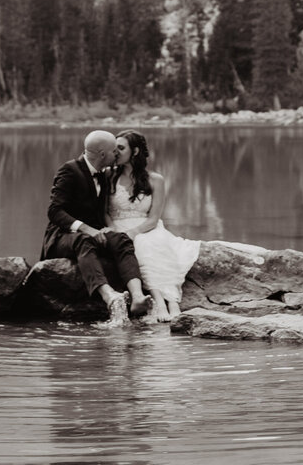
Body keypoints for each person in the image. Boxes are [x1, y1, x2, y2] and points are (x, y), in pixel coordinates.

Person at [41, 129, 151, 325]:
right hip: (63, 237)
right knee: (85, 240)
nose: (117, 155)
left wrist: (107, 229)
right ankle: (109, 296)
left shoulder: (103, 175)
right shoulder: (69, 170)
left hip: (94, 234)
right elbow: (54, 211)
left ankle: (137, 297)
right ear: (102, 154)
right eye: (114, 151)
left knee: (121, 239)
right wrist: (86, 229)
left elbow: (100, 213)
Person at [107, 130, 200, 322]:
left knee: (150, 244)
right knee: (140, 246)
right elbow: (104, 213)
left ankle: (172, 301)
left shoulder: (155, 179)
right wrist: (115, 231)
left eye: (121, 148)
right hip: (117, 227)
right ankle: (158, 301)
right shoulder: (108, 177)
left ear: (135, 151)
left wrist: (134, 232)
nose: (115, 152)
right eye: (114, 148)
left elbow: (154, 217)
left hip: (147, 227)